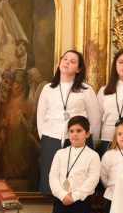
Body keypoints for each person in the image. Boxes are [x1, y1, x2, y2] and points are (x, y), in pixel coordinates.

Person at [35, 50, 101, 196]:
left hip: (77, 141)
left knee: (75, 182)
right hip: (51, 138)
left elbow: (95, 119)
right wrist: (45, 138)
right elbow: (40, 117)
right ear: (59, 63)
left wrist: (89, 139)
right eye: (65, 59)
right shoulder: (48, 89)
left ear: (78, 69)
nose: (67, 63)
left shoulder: (86, 90)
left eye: (72, 61)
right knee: (52, 184)